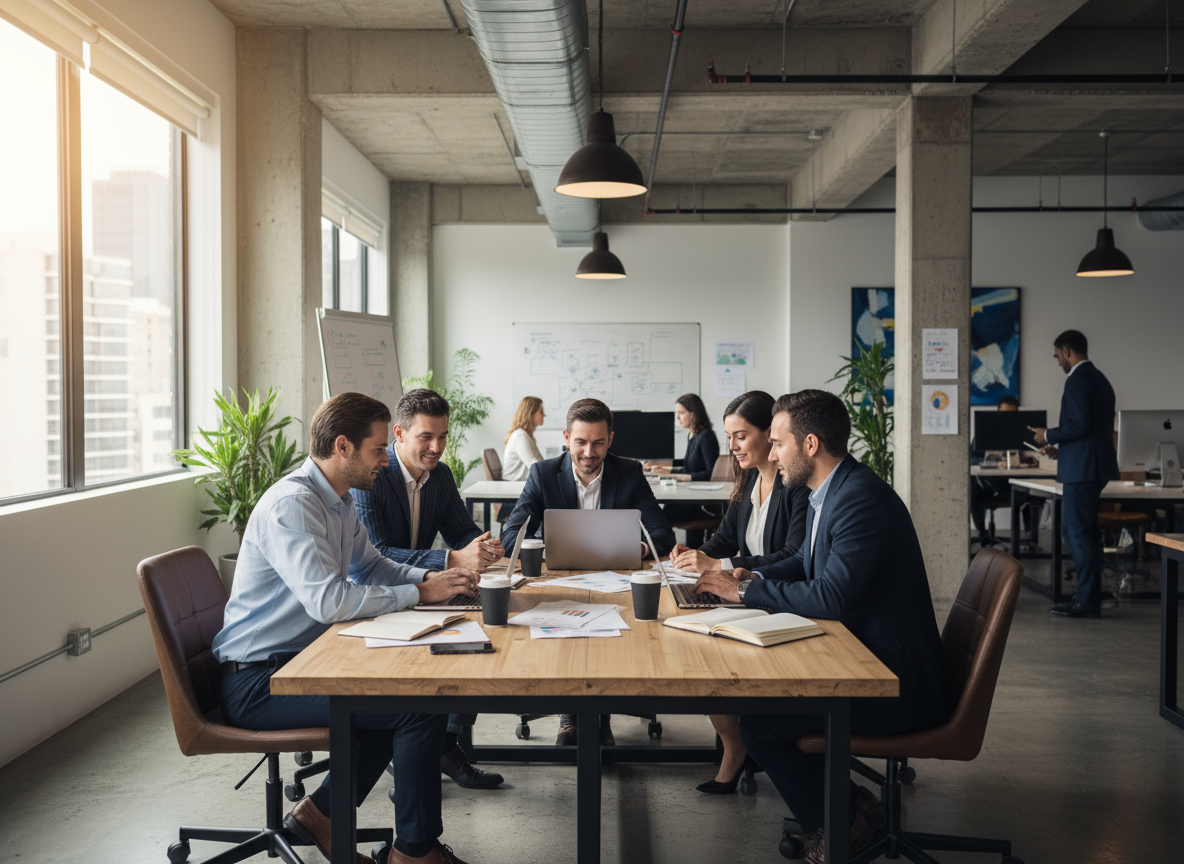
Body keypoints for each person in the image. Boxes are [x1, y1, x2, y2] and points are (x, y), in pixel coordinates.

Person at [213, 391, 479, 864]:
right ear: (343, 447)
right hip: (258, 680)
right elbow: (328, 601)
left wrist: (432, 580)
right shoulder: (293, 505)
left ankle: (322, 815)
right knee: (416, 708)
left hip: (301, 661)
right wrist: (421, 594)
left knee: (403, 701)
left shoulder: (336, 500)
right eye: (378, 449)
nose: (385, 459)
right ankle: (414, 854)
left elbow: (372, 566)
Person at [692, 390, 951, 864]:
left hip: (894, 681)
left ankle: (841, 821)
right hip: (866, 657)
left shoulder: (859, 500)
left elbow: (830, 596)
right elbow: (805, 565)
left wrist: (745, 594)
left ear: (810, 444)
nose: (771, 455)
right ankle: (851, 805)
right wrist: (750, 576)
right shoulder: (827, 492)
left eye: (778, 444)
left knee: (761, 724)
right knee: (762, 707)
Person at [352, 388, 506, 790]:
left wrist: (483, 547)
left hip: (423, 593)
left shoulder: (441, 476)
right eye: (426, 437)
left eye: (442, 436)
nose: (436, 447)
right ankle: (417, 750)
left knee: (479, 637)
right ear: (399, 434)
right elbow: (377, 554)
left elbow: (462, 532)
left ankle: (444, 745)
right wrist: (452, 560)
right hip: (377, 598)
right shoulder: (370, 477)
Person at [501, 398, 676, 746]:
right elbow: (511, 537)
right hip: (559, 579)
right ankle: (571, 716)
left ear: (610, 440)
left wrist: (634, 547)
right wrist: (544, 545)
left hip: (616, 581)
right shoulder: (543, 473)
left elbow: (662, 534)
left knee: (614, 633)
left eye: (598, 442)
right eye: (580, 442)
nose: (588, 452)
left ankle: (600, 716)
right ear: (567, 437)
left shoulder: (628, 471)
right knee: (566, 627)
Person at [666, 390, 810, 794]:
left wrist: (721, 568)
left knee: (705, 650)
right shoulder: (748, 479)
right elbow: (725, 539)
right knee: (694, 638)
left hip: (777, 598)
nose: (731, 447)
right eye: (729, 437)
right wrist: (695, 555)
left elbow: (794, 555)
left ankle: (740, 746)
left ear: (771, 434)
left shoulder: (795, 485)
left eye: (741, 436)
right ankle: (735, 744)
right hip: (743, 593)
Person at [1029, 329, 1119, 618]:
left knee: (1076, 531)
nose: (1057, 362)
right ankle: (1090, 594)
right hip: (1091, 464)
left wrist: (1048, 435)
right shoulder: (1100, 379)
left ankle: (1086, 600)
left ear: (1067, 351)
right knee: (1086, 532)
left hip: (1083, 470)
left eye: (1057, 355)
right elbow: (1090, 429)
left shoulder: (1077, 380)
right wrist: (1061, 451)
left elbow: (1079, 425)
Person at [650, 393, 721, 546]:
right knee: (665, 511)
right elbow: (689, 463)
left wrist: (677, 476)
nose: (677, 417)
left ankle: (664, 551)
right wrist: (661, 466)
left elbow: (711, 474)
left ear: (693, 414)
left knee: (664, 517)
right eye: (677, 413)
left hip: (702, 503)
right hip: (691, 495)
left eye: (681, 413)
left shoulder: (707, 437)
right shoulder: (693, 435)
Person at [971, 395, 1021, 548]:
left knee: (1031, 491)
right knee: (972, 489)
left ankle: (1029, 538)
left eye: (1012, 414)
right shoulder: (985, 431)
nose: (1007, 418)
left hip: (1012, 484)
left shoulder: (1022, 433)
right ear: (997, 412)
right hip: (988, 483)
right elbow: (972, 457)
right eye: (1004, 413)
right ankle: (982, 534)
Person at [502, 396, 546, 481]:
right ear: (530, 413)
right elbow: (535, 466)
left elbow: (540, 463)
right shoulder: (520, 436)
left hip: (520, 483)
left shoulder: (528, 436)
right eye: (541, 411)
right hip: (513, 484)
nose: (544, 415)